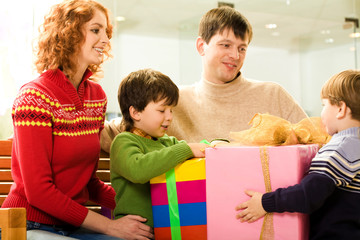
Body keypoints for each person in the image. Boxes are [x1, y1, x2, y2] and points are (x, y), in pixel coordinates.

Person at [2, 1, 153, 239]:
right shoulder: (33, 97)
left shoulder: (96, 97)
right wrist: (111, 226)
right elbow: (39, 192)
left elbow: (89, 183)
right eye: (95, 30)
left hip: (71, 226)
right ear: (68, 33)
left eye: (106, 32)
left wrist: (150, 209)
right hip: (28, 225)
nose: (105, 39)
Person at [100, 6, 307, 151]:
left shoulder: (273, 94)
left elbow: (317, 141)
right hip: (193, 208)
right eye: (225, 45)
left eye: (241, 48)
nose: (235, 56)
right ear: (201, 46)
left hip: (262, 205)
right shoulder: (172, 101)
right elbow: (107, 134)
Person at [235, 70, 360, 239]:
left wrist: (266, 202)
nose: (321, 113)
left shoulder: (339, 148)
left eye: (324, 105)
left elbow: (308, 195)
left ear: (341, 109)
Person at [110, 69, 208, 228]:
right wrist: (187, 149)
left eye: (171, 110)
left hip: (169, 230)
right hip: (133, 232)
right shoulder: (124, 141)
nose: (169, 117)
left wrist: (216, 146)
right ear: (135, 112)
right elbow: (138, 170)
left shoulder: (167, 142)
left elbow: (193, 150)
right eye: (162, 110)